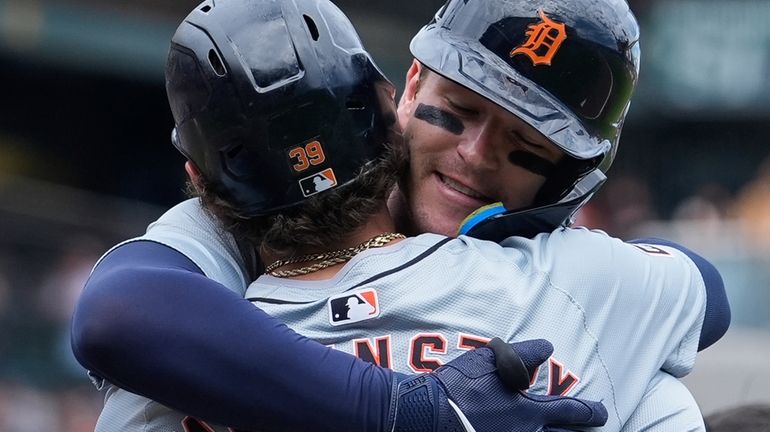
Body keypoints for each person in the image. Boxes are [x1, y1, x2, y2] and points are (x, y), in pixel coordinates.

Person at [70, 0, 730, 430]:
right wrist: (408, 411)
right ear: (406, 89)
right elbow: (118, 314)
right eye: (460, 112)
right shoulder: (257, 218)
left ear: (572, 174)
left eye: (524, 147)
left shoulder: (582, 285)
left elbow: (709, 298)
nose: (474, 156)